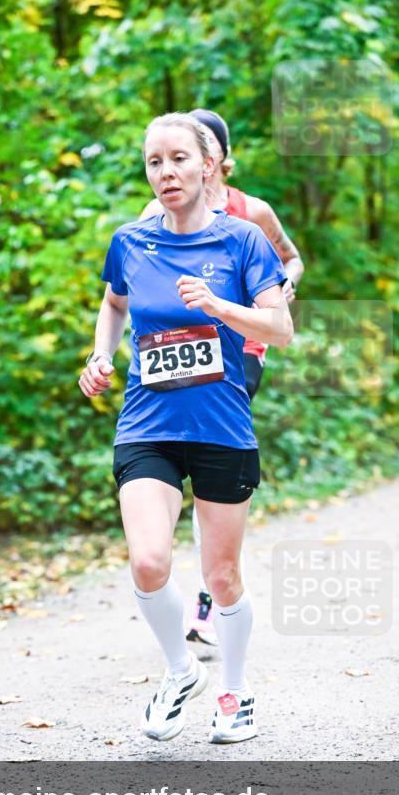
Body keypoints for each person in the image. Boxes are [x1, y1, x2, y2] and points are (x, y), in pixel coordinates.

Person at [79, 112, 293, 743]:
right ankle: (180, 670)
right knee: (148, 562)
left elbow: (281, 329)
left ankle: (236, 690)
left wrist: (219, 305)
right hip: (147, 423)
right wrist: (101, 355)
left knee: (221, 576)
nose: (166, 172)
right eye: (155, 161)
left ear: (209, 165)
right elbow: (114, 302)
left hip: (221, 426)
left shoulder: (243, 239)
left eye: (178, 158)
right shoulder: (130, 241)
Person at [140, 108, 304, 646]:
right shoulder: (159, 210)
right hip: (178, 348)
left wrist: (283, 284)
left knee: (210, 451)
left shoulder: (252, 212)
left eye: (200, 149)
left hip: (242, 346)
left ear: (219, 160)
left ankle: (209, 590)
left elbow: (292, 259)